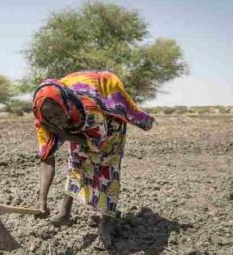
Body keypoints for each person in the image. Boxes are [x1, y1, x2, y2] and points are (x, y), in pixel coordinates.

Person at [32, 70, 154, 249]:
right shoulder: (44, 120)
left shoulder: (89, 108)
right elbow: (46, 158)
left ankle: (107, 220)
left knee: (107, 165)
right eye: (50, 118)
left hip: (108, 119)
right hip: (76, 120)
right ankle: (64, 213)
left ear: (65, 105)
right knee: (76, 161)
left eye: (57, 115)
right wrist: (42, 198)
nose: (55, 121)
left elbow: (99, 143)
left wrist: (65, 134)